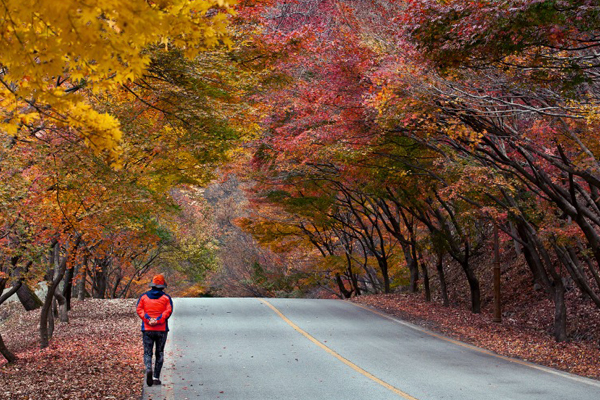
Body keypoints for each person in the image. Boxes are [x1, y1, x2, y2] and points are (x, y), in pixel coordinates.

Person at [136, 274, 173, 387]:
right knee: (159, 352)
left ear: (152, 285)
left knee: (147, 352)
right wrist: (158, 320)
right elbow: (168, 312)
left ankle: (148, 369)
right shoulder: (166, 298)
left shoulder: (143, 297)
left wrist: (148, 319)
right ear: (162, 286)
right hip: (161, 330)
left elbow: (139, 309)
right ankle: (156, 377)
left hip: (147, 329)